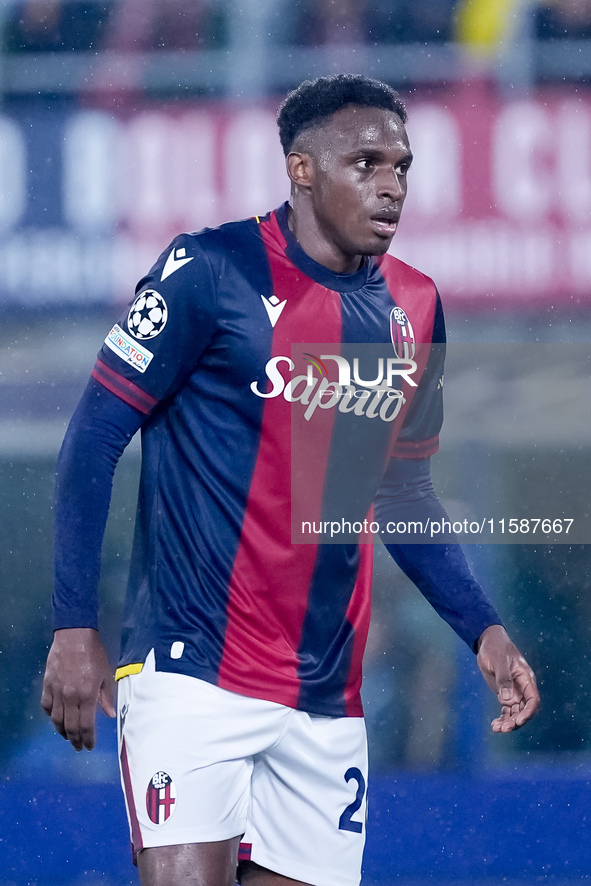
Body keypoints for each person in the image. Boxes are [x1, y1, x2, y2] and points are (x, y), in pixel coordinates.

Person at [41, 74, 540, 886]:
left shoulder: (414, 306)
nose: (390, 185)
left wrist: (481, 626)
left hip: (325, 696)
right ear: (301, 170)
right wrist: (71, 626)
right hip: (191, 669)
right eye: (366, 162)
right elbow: (93, 438)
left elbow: (402, 489)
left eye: (402, 166)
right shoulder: (208, 270)